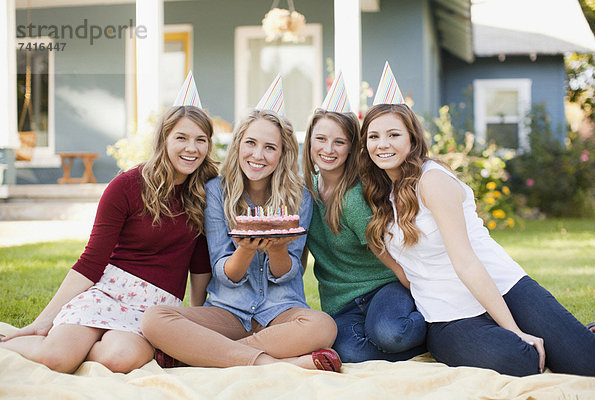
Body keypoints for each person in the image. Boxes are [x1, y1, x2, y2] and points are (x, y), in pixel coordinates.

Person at [357, 62, 595, 377]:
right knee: (521, 361)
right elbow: (409, 273)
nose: (382, 144)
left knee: (587, 363)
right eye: (374, 136)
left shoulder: (432, 181)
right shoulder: (379, 195)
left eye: (393, 134)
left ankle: (579, 337)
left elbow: (467, 262)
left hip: (501, 288)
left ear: (412, 139)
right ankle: (561, 339)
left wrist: (512, 327)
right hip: (447, 315)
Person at [0, 91, 219, 373]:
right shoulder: (126, 186)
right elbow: (91, 261)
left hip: (154, 310)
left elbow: (200, 265)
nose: (192, 148)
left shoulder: (207, 192)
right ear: (164, 140)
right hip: (107, 294)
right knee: (56, 358)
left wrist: (194, 318)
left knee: (119, 358)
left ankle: (78, 347)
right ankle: (37, 343)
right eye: (181, 138)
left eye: (200, 140)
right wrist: (42, 321)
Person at [142, 76, 341, 372]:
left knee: (323, 326)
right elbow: (223, 274)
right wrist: (245, 251)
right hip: (227, 311)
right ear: (238, 145)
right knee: (155, 319)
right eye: (250, 143)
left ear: (283, 153)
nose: (258, 155)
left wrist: (277, 249)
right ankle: (278, 363)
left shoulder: (300, 197)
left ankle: (207, 356)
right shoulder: (216, 192)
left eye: (270, 147)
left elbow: (289, 274)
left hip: (281, 313)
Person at [302, 72, 426, 363]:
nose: (328, 150)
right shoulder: (304, 193)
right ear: (309, 142)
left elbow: (390, 259)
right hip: (342, 304)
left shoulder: (354, 198)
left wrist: (428, 295)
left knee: (391, 333)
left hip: (384, 288)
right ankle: (390, 341)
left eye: (339, 142)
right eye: (320, 139)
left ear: (353, 148)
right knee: (348, 352)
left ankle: (433, 327)